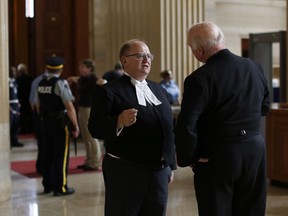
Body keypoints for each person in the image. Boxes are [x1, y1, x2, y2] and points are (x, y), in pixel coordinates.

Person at [174, 21, 270, 216]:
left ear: (199, 50)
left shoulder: (199, 79)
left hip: (218, 155)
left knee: (216, 210)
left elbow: (187, 124)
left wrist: (189, 157)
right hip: (254, 150)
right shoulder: (254, 67)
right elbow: (265, 107)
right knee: (252, 210)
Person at [88, 39, 176, 216]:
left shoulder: (158, 89)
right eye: (140, 56)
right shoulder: (109, 91)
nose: (147, 60)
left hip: (159, 171)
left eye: (149, 56)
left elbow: (169, 128)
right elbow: (95, 127)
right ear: (124, 60)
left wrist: (170, 164)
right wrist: (118, 121)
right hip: (126, 171)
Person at [35, 56, 80, 196]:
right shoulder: (60, 83)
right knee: (61, 155)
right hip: (60, 124)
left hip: (46, 123)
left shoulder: (41, 83)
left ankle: (47, 185)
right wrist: (75, 126)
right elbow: (69, 106)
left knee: (47, 154)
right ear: (60, 69)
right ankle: (61, 187)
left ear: (47, 68)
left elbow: (37, 105)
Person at [67, 59, 104, 171]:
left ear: (89, 68)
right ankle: (88, 160)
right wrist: (73, 79)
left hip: (89, 108)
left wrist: (104, 82)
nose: (80, 68)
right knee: (85, 136)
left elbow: (103, 83)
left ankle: (95, 162)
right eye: (80, 66)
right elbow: (78, 80)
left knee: (91, 136)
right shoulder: (83, 79)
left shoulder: (93, 78)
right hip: (82, 108)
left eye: (83, 67)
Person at [29, 69, 48, 174]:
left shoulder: (37, 80)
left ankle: (41, 166)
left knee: (42, 142)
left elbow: (31, 101)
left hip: (39, 115)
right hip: (43, 116)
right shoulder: (41, 81)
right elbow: (33, 102)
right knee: (44, 142)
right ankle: (43, 167)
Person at [16, 63, 33, 134]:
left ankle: (23, 130)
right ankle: (30, 129)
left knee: (22, 115)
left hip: (21, 99)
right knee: (30, 114)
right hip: (29, 99)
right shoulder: (30, 78)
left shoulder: (17, 79)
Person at [9, 66, 24, 148]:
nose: (14, 72)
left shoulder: (15, 81)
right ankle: (8, 142)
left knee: (16, 124)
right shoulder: (7, 81)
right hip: (10, 104)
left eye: (14, 71)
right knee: (10, 124)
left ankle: (14, 140)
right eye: (12, 71)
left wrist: (18, 102)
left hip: (16, 103)